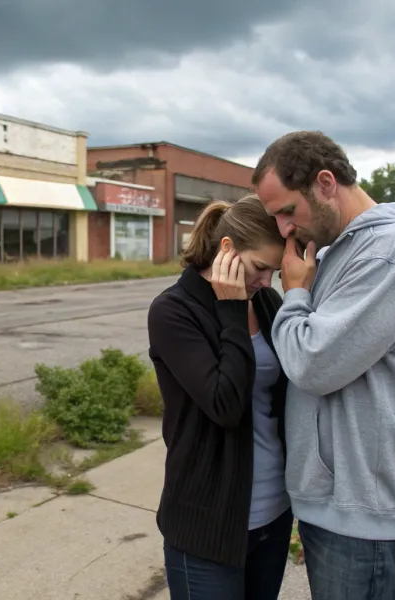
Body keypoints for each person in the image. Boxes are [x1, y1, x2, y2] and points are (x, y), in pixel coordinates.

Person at [252, 131, 395, 600]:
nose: (282, 230)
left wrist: (294, 294)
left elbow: (314, 365)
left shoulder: (388, 253)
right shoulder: (341, 249)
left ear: (325, 183)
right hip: (341, 505)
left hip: (367, 516)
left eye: (286, 211)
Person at [147, 194, 293, 600]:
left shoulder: (265, 301)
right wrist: (231, 310)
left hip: (274, 513)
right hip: (206, 524)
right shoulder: (173, 311)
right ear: (227, 250)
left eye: (273, 271)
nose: (266, 281)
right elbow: (225, 405)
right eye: (260, 268)